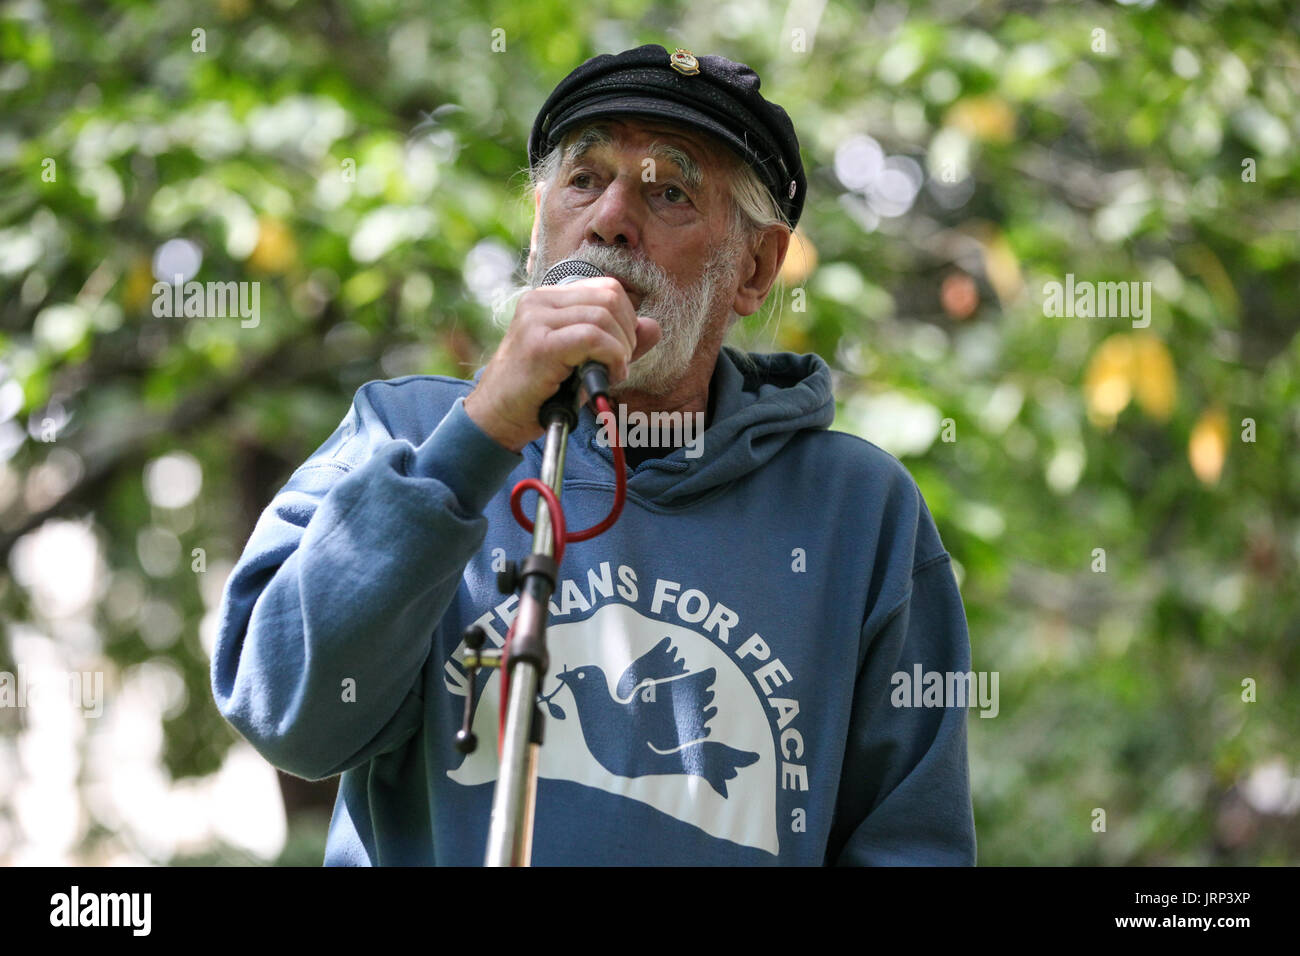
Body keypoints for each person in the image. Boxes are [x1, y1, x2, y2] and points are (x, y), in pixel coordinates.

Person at [211, 43, 977, 865]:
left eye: (669, 192)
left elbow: (912, 847)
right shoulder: (401, 432)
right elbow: (287, 713)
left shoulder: (858, 511)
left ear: (754, 268)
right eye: (584, 180)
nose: (611, 217)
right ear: (540, 223)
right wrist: (480, 437)